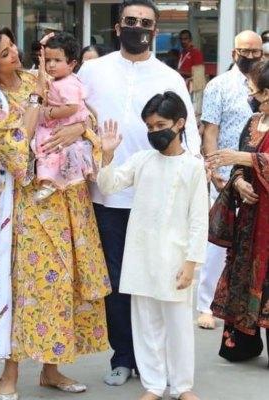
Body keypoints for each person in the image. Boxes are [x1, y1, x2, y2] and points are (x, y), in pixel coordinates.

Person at [0, 26, 110, 398]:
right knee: (30, 286)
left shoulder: (33, 78)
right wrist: (38, 103)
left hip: (69, 198)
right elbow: (14, 150)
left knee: (65, 282)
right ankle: (9, 373)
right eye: (5, 53)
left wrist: (77, 129)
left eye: (12, 47)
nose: (16, 55)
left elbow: (85, 114)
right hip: (29, 204)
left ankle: (51, 369)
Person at [77, 0, 201, 386]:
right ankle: (124, 357)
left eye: (145, 22)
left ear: (155, 30)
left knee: (162, 281)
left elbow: (190, 139)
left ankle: (162, 365)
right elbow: (72, 115)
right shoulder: (93, 71)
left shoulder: (169, 77)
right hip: (108, 194)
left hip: (158, 199)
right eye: (130, 21)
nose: (138, 27)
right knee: (117, 281)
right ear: (118, 28)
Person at [98, 92, 207, 400]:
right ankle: (154, 385)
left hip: (175, 258)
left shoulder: (193, 167)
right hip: (141, 255)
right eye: (149, 126)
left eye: (160, 125)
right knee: (146, 325)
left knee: (178, 326)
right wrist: (107, 156)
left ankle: (182, 386)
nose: (154, 132)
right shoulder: (142, 160)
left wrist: (191, 263)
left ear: (180, 123)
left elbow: (199, 220)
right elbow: (108, 186)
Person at [196, 31, 260, 330]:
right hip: (226, 176)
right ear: (234, 53)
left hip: (260, 175)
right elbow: (210, 131)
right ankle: (206, 305)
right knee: (218, 243)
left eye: (256, 52)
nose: (251, 57)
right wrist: (215, 171)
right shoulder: (218, 86)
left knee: (253, 243)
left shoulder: (266, 84)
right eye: (245, 51)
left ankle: (246, 306)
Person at [208, 60, 269, 366]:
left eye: (254, 90)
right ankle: (244, 343)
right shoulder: (253, 121)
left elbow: (245, 157)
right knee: (243, 272)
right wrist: (240, 182)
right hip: (249, 218)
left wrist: (244, 158)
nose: (250, 95)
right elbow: (238, 167)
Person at [31, 32, 95, 201]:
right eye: (48, 60)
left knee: (47, 146)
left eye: (57, 60)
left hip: (65, 121)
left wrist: (48, 113)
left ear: (72, 64)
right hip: (64, 121)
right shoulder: (58, 80)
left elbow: (72, 107)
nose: (51, 65)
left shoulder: (67, 83)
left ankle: (49, 181)